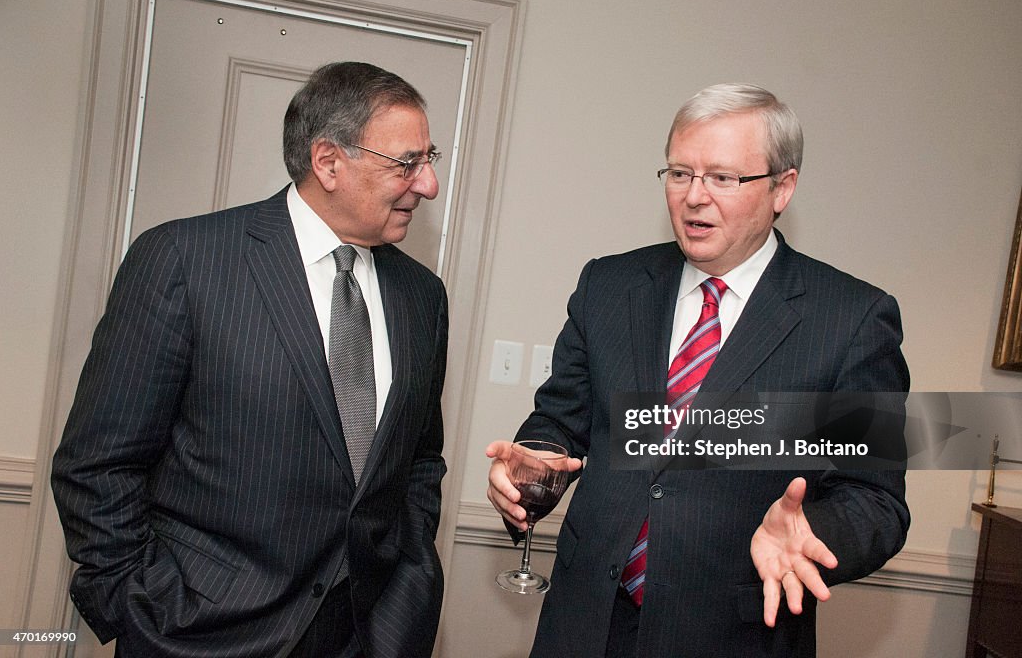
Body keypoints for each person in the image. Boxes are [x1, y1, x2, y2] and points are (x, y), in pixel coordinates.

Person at [486, 83, 910, 657]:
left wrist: (817, 533)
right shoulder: (608, 287)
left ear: (782, 187)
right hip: (584, 625)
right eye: (679, 173)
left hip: (733, 635)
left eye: (722, 178)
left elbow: (875, 500)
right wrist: (532, 459)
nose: (693, 197)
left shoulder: (851, 318)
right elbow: (560, 421)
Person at [51, 61, 448, 657]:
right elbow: (97, 465)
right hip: (199, 633)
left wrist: (411, 588)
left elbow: (418, 461)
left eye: (429, 158)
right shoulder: (185, 260)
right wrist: (144, 607)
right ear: (328, 161)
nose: (429, 184)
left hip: (365, 634)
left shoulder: (422, 296)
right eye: (406, 162)